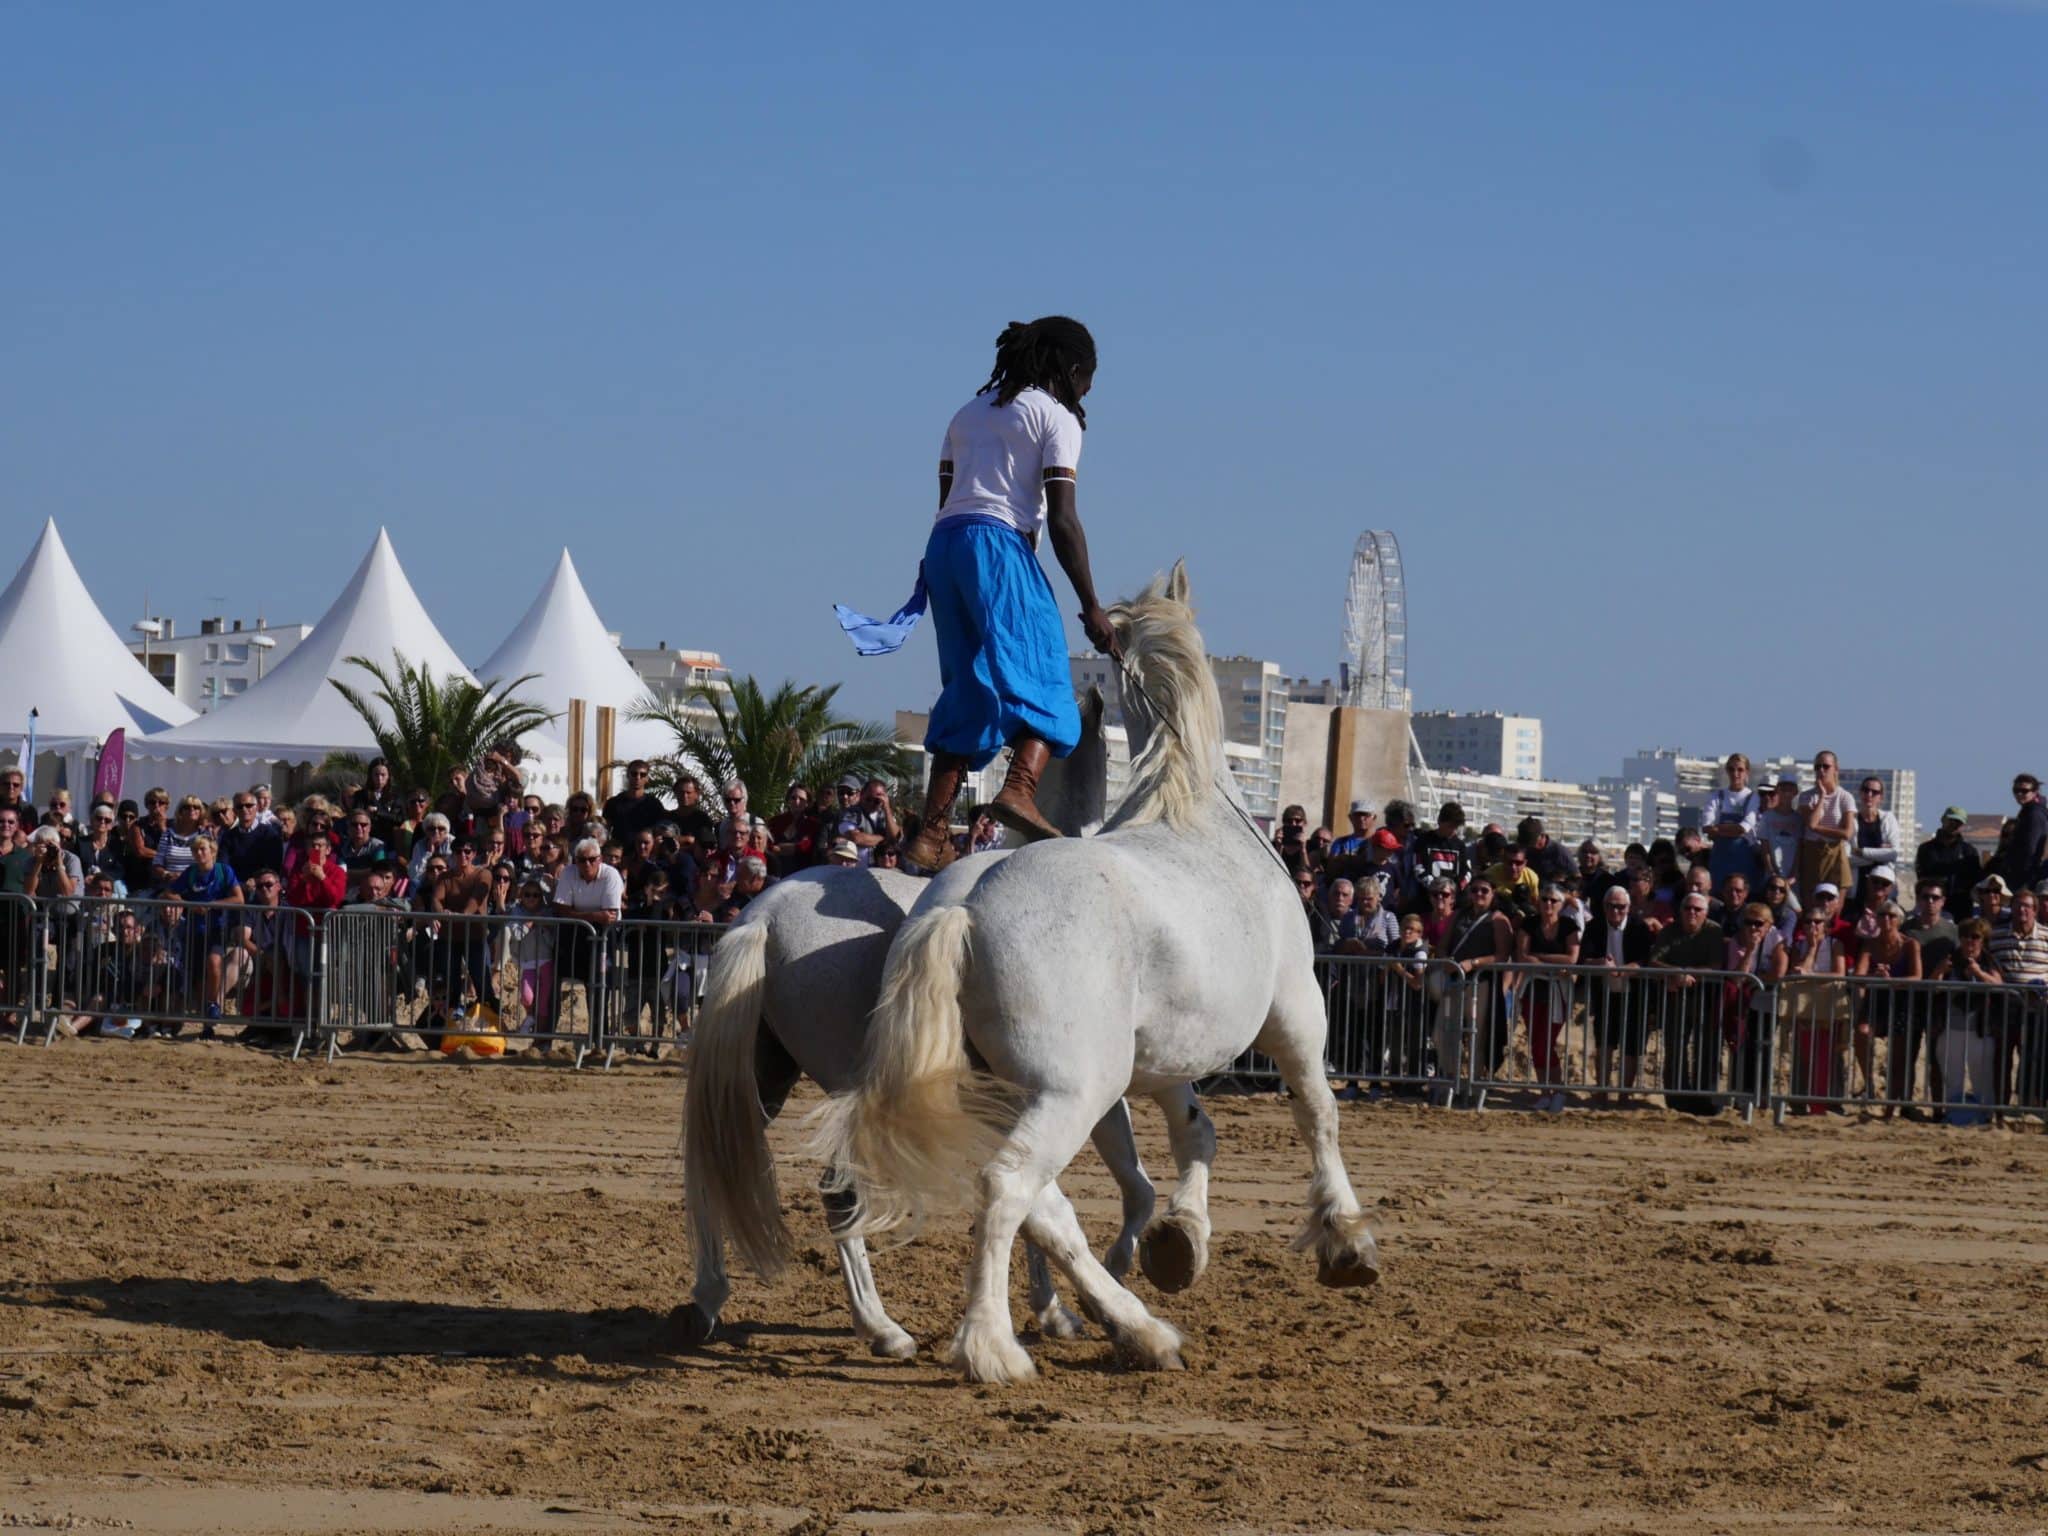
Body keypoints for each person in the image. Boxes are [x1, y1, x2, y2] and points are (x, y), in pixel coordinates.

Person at [889, 318, 1114, 869]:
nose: (1088, 391)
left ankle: (931, 834)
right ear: (1072, 367)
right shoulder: (1056, 417)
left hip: (945, 547)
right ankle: (1019, 788)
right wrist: (1091, 604)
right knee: (1046, 676)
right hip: (998, 546)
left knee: (968, 689)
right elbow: (1063, 520)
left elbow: (946, 503)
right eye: (1089, 379)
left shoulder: (966, 414)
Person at [1649, 892, 1727, 1115]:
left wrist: (1686, 974)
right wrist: (1676, 974)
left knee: (1708, 1047)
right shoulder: (1669, 931)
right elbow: (1654, 961)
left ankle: (1706, 1098)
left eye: (1697, 909)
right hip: (1675, 995)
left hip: (1707, 995)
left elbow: (1716, 965)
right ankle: (1677, 1098)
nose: (1692, 912)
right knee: (1675, 1045)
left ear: (1706, 913)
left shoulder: (1713, 931)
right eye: (1687, 908)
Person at [1515, 884, 1581, 1111]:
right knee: (1536, 1042)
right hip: (1533, 988)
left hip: (1558, 991)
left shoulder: (1568, 926)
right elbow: (1522, 956)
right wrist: (1551, 962)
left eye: (1554, 900)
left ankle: (1559, 1090)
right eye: (1545, 899)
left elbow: (1571, 959)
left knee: (1547, 1042)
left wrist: (1539, 959)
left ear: (1561, 904)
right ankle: (1544, 1091)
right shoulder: (1529, 923)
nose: (1549, 904)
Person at [1929, 918, 2002, 1122]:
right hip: (1951, 1026)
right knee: (1952, 1075)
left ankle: (1986, 1115)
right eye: (1965, 936)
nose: (1969, 941)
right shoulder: (1950, 959)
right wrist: (1939, 972)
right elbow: (1933, 988)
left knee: (1982, 1075)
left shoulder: (1988, 960)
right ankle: (1953, 1115)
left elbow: (1999, 985)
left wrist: (1979, 973)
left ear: (1982, 939)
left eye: (1975, 937)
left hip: (1980, 1027)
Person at [1916, 807, 1981, 923]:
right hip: (1932, 903)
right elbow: (1922, 877)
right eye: (1951, 820)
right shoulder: (1926, 849)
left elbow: (1974, 881)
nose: (1954, 825)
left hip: (1961, 907)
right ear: (1943, 820)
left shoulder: (1969, 852)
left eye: (1958, 822)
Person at [603, 760, 669, 847]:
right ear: (627, 775)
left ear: (647, 778)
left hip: (645, 853)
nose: (638, 777)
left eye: (642, 775)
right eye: (634, 774)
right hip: (620, 854)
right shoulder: (614, 803)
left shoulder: (654, 804)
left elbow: (660, 832)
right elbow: (605, 830)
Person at [2003, 774, 2048, 895]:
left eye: (2024, 791)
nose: (2019, 794)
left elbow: (2030, 848)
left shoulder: (2034, 814)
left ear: (2035, 792)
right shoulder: (2028, 811)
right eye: (2016, 791)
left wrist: (2024, 880)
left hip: (2025, 877)